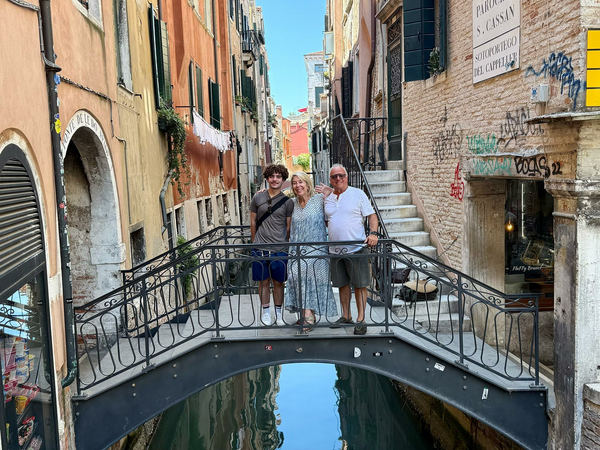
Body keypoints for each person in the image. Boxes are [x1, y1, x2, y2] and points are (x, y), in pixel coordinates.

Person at [324, 164, 379, 335]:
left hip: (356, 248)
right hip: (335, 250)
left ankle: (361, 319)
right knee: (342, 284)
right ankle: (346, 315)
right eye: (334, 177)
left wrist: (374, 233)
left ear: (346, 177)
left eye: (341, 175)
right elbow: (327, 220)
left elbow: (371, 215)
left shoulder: (357, 194)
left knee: (360, 285)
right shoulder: (327, 198)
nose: (338, 179)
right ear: (330, 180)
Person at [285, 172, 337, 331]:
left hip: (317, 249)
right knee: (295, 276)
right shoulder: (291, 203)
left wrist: (331, 192)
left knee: (309, 278)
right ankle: (308, 314)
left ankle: (308, 316)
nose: (298, 185)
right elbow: (273, 200)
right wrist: (263, 193)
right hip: (297, 250)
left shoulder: (319, 199)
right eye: (294, 183)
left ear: (307, 184)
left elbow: (336, 206)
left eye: (301, 182)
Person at [250, 164, 294, 326]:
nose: (275, 179)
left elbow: (288, 227)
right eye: (272, 176)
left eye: (278, 177)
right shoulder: (258, 198)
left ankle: (279, 315)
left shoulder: (288, 202)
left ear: (283, 180)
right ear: (267, 179)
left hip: (280, 248)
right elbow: (253, 222)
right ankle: (266, 313)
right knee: (263, 282)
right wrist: (254, 243)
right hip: (260, 248)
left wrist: (285, 244)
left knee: (279, 283)